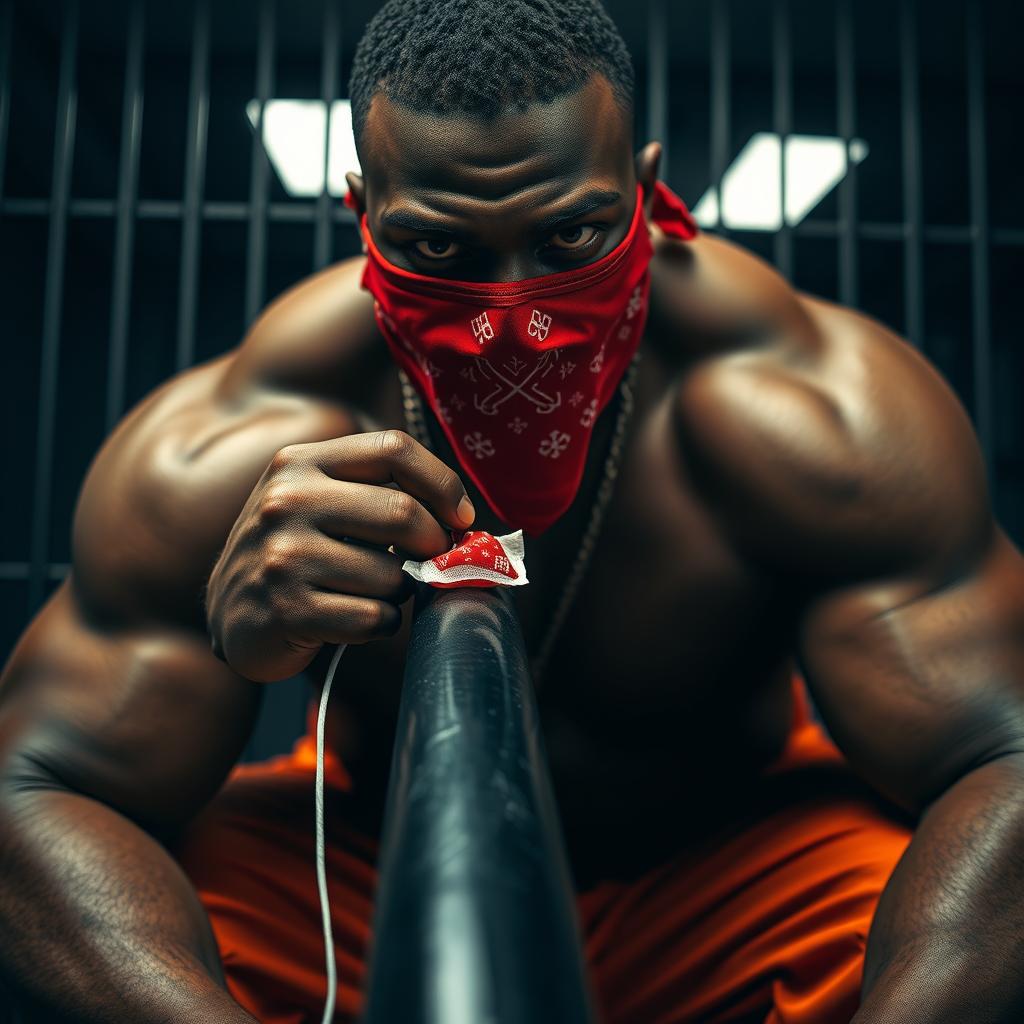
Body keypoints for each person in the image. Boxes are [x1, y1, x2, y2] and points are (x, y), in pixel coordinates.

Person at [1, 0, 1023, 1021]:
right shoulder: (243, 437)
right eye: (439, 247)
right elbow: (30, 787)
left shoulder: (802, 404)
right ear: (364, 206)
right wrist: (234, 638)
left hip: (730, 859)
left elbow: (1008, 754)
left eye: (571, 232)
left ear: (646, 186)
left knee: (901, 922)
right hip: (371, 854)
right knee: (167, 929)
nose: (511, 314)